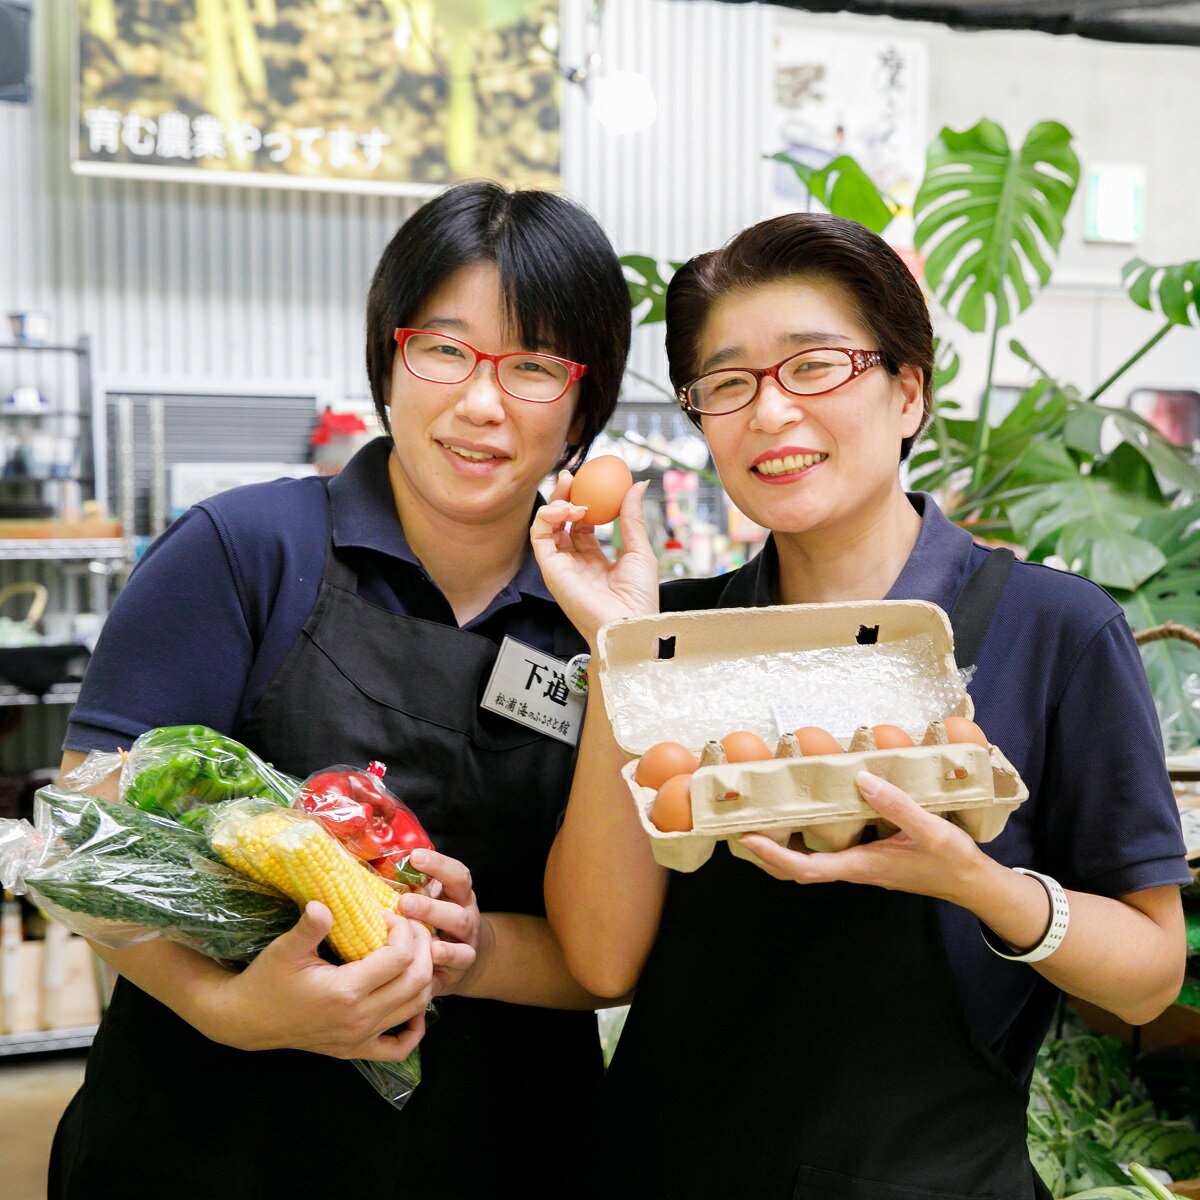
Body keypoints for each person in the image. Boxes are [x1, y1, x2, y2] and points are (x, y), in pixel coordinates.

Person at [532, 212, 1188, 1200]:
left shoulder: (1053, 631)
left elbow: (1146, 969)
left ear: (908, 392)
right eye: (729, 383)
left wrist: (977, 882)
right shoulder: (680, 632)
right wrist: (622, 652)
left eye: (814, 367)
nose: (770, 414)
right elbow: (597, 956)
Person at [51, 181, 631, 1200]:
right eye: (445, 349)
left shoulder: (600, 625)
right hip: (209, 1140)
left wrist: (477, 946)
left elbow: (606, 959)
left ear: (586, 402)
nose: (481, 402)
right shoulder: (244, 551)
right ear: (389, 358)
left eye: (534, 366)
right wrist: (234, 1010)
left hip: (503, 1146)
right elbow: (86, 840)